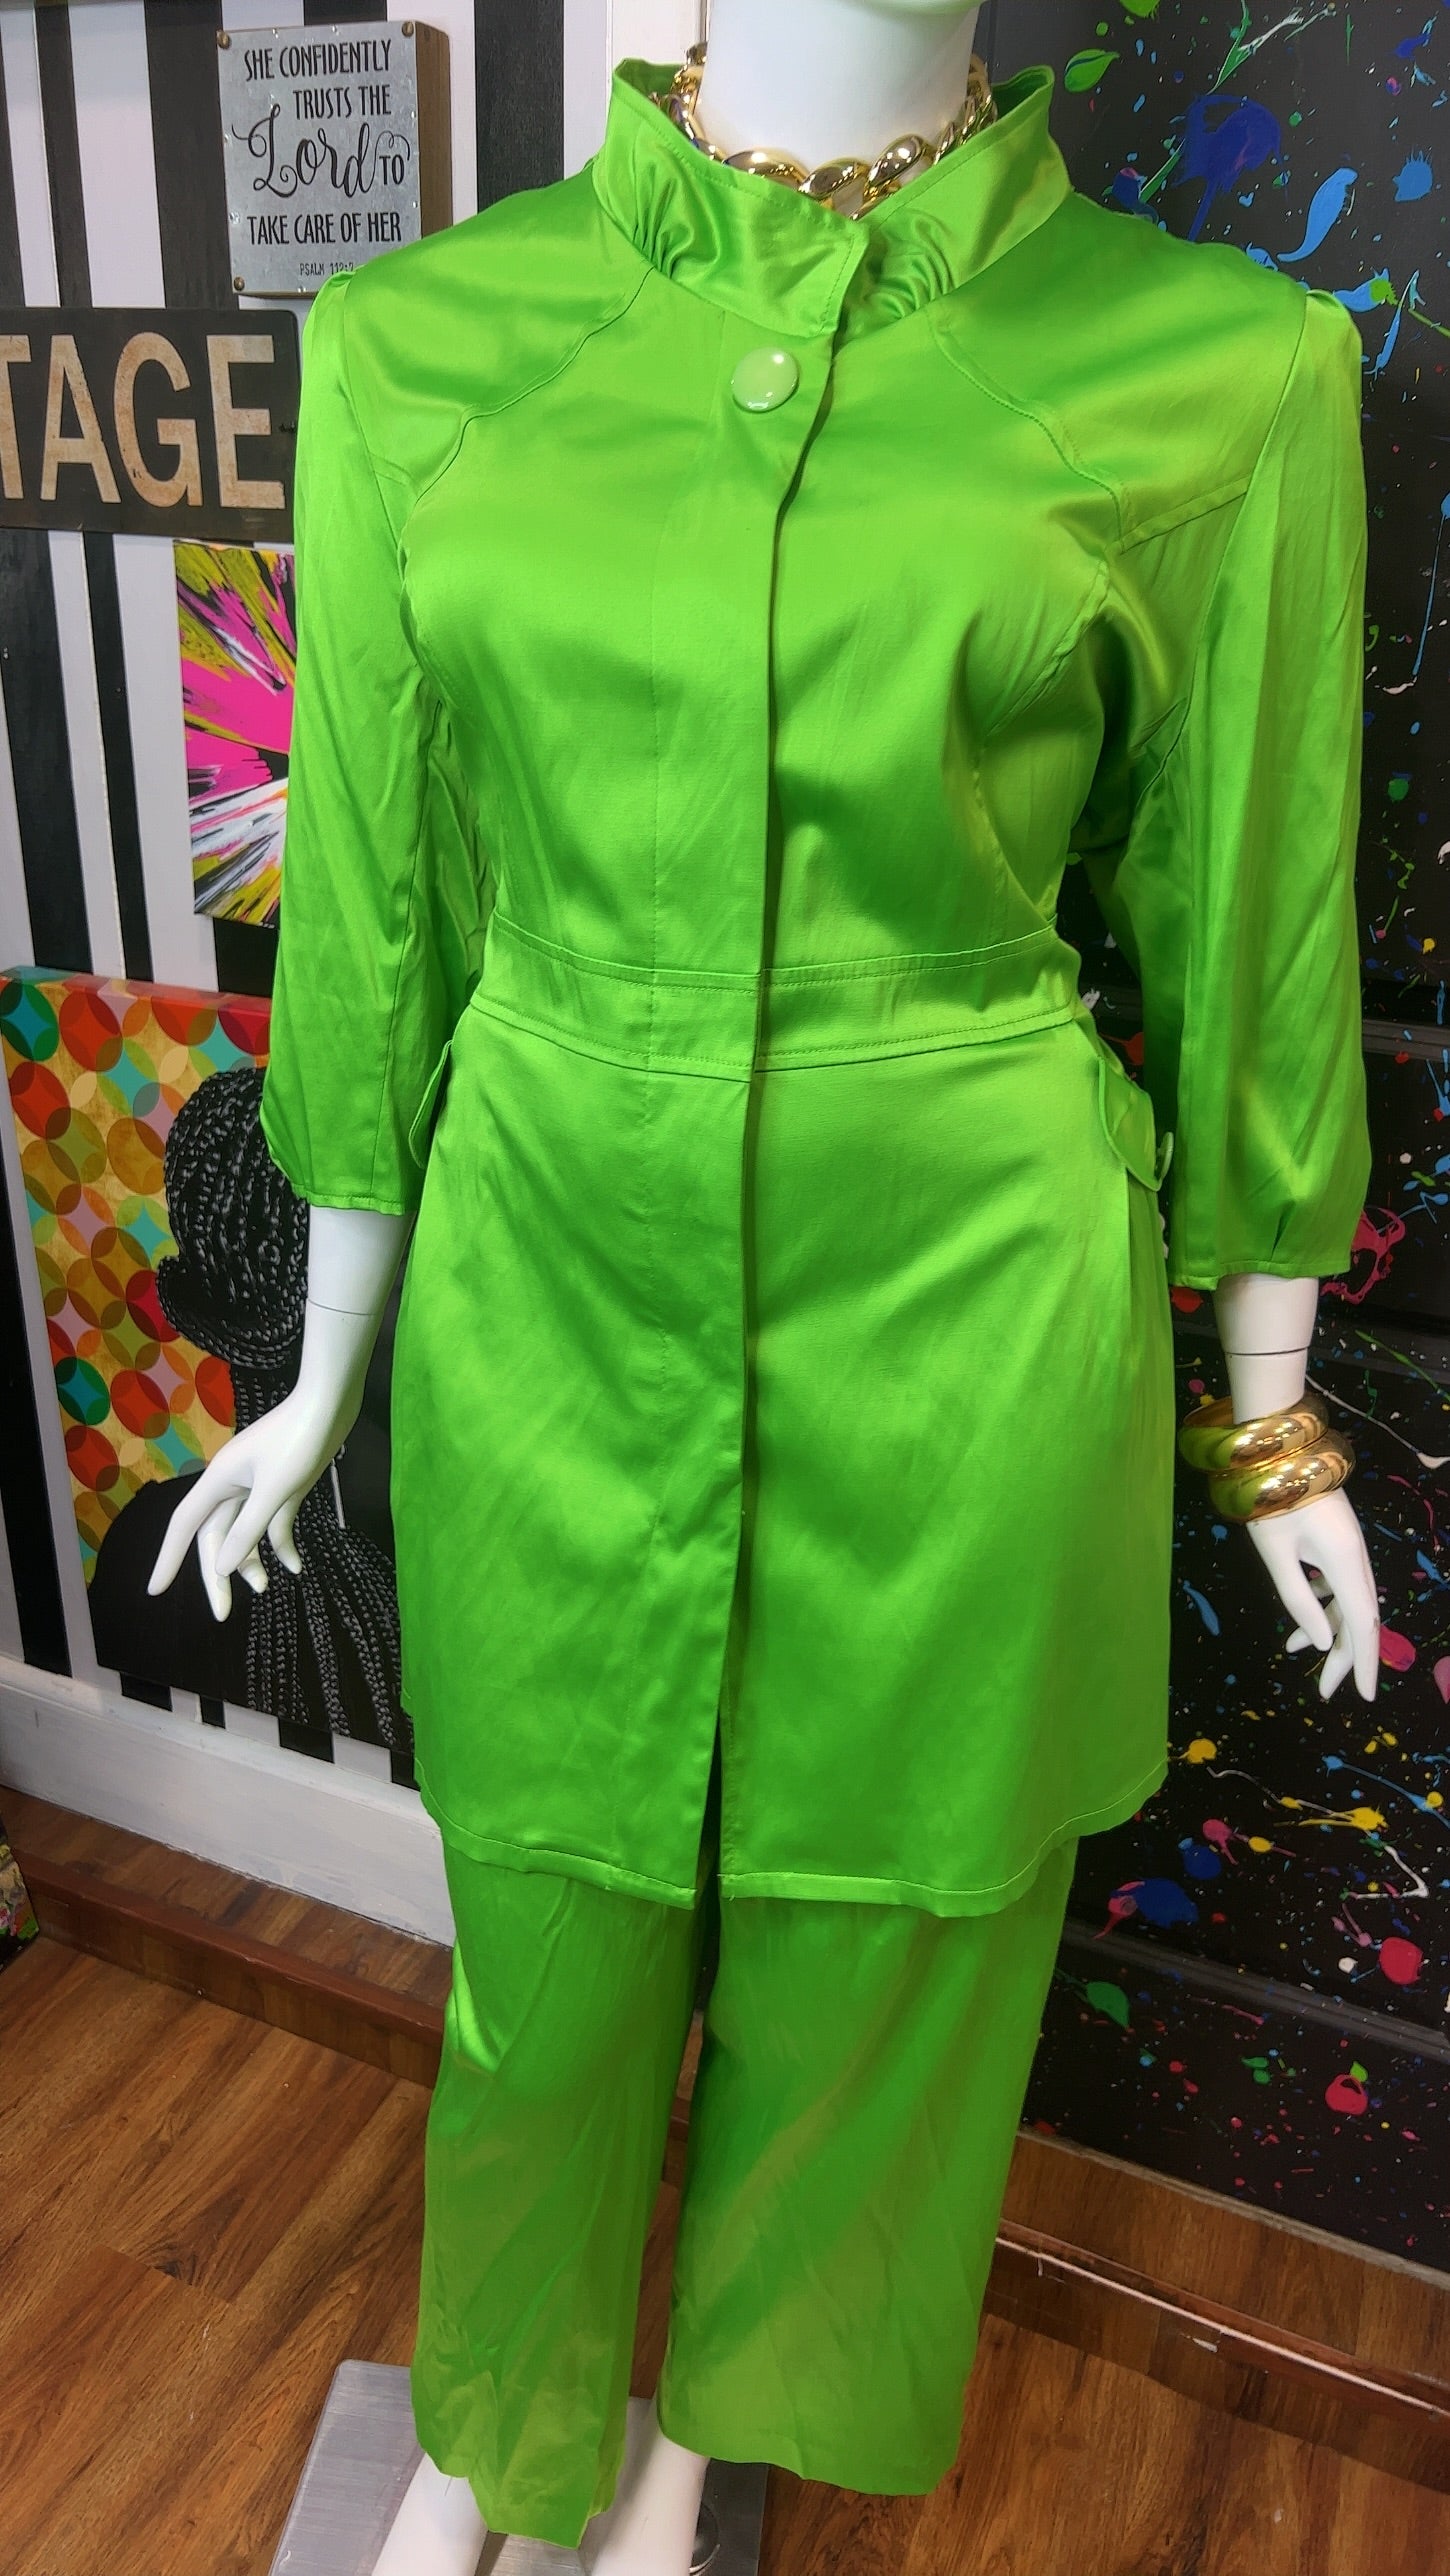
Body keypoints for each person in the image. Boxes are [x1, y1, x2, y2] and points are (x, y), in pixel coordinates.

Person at [150, 4, 1381, 2569]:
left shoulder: (1218, 371)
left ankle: (697, 2441)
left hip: (967, 1277)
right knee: (546, 1921)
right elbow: (370, 902)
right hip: (547, 1247)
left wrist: (1266, 1408)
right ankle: (493, 2437)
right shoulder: (421, 347)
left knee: (886, 1935)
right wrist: (325, 1361)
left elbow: (1253, 923)